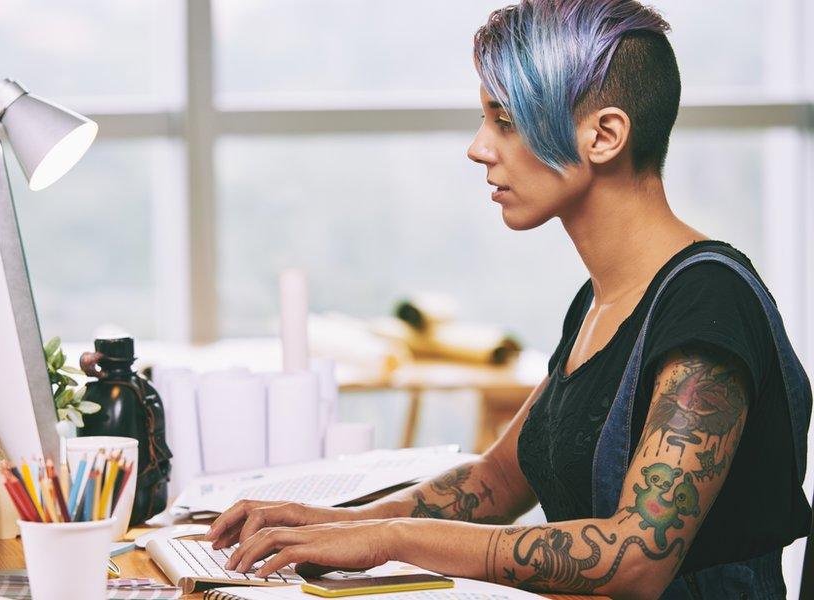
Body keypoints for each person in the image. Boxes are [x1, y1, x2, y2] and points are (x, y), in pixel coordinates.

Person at [204, 1, 812, 598]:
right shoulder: (602, 302)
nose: (479, 148)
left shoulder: (709, 301)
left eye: (506, 121)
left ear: (604, 134)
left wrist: (391, 539)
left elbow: (634, 558)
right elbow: (496, 482)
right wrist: (328, 524)